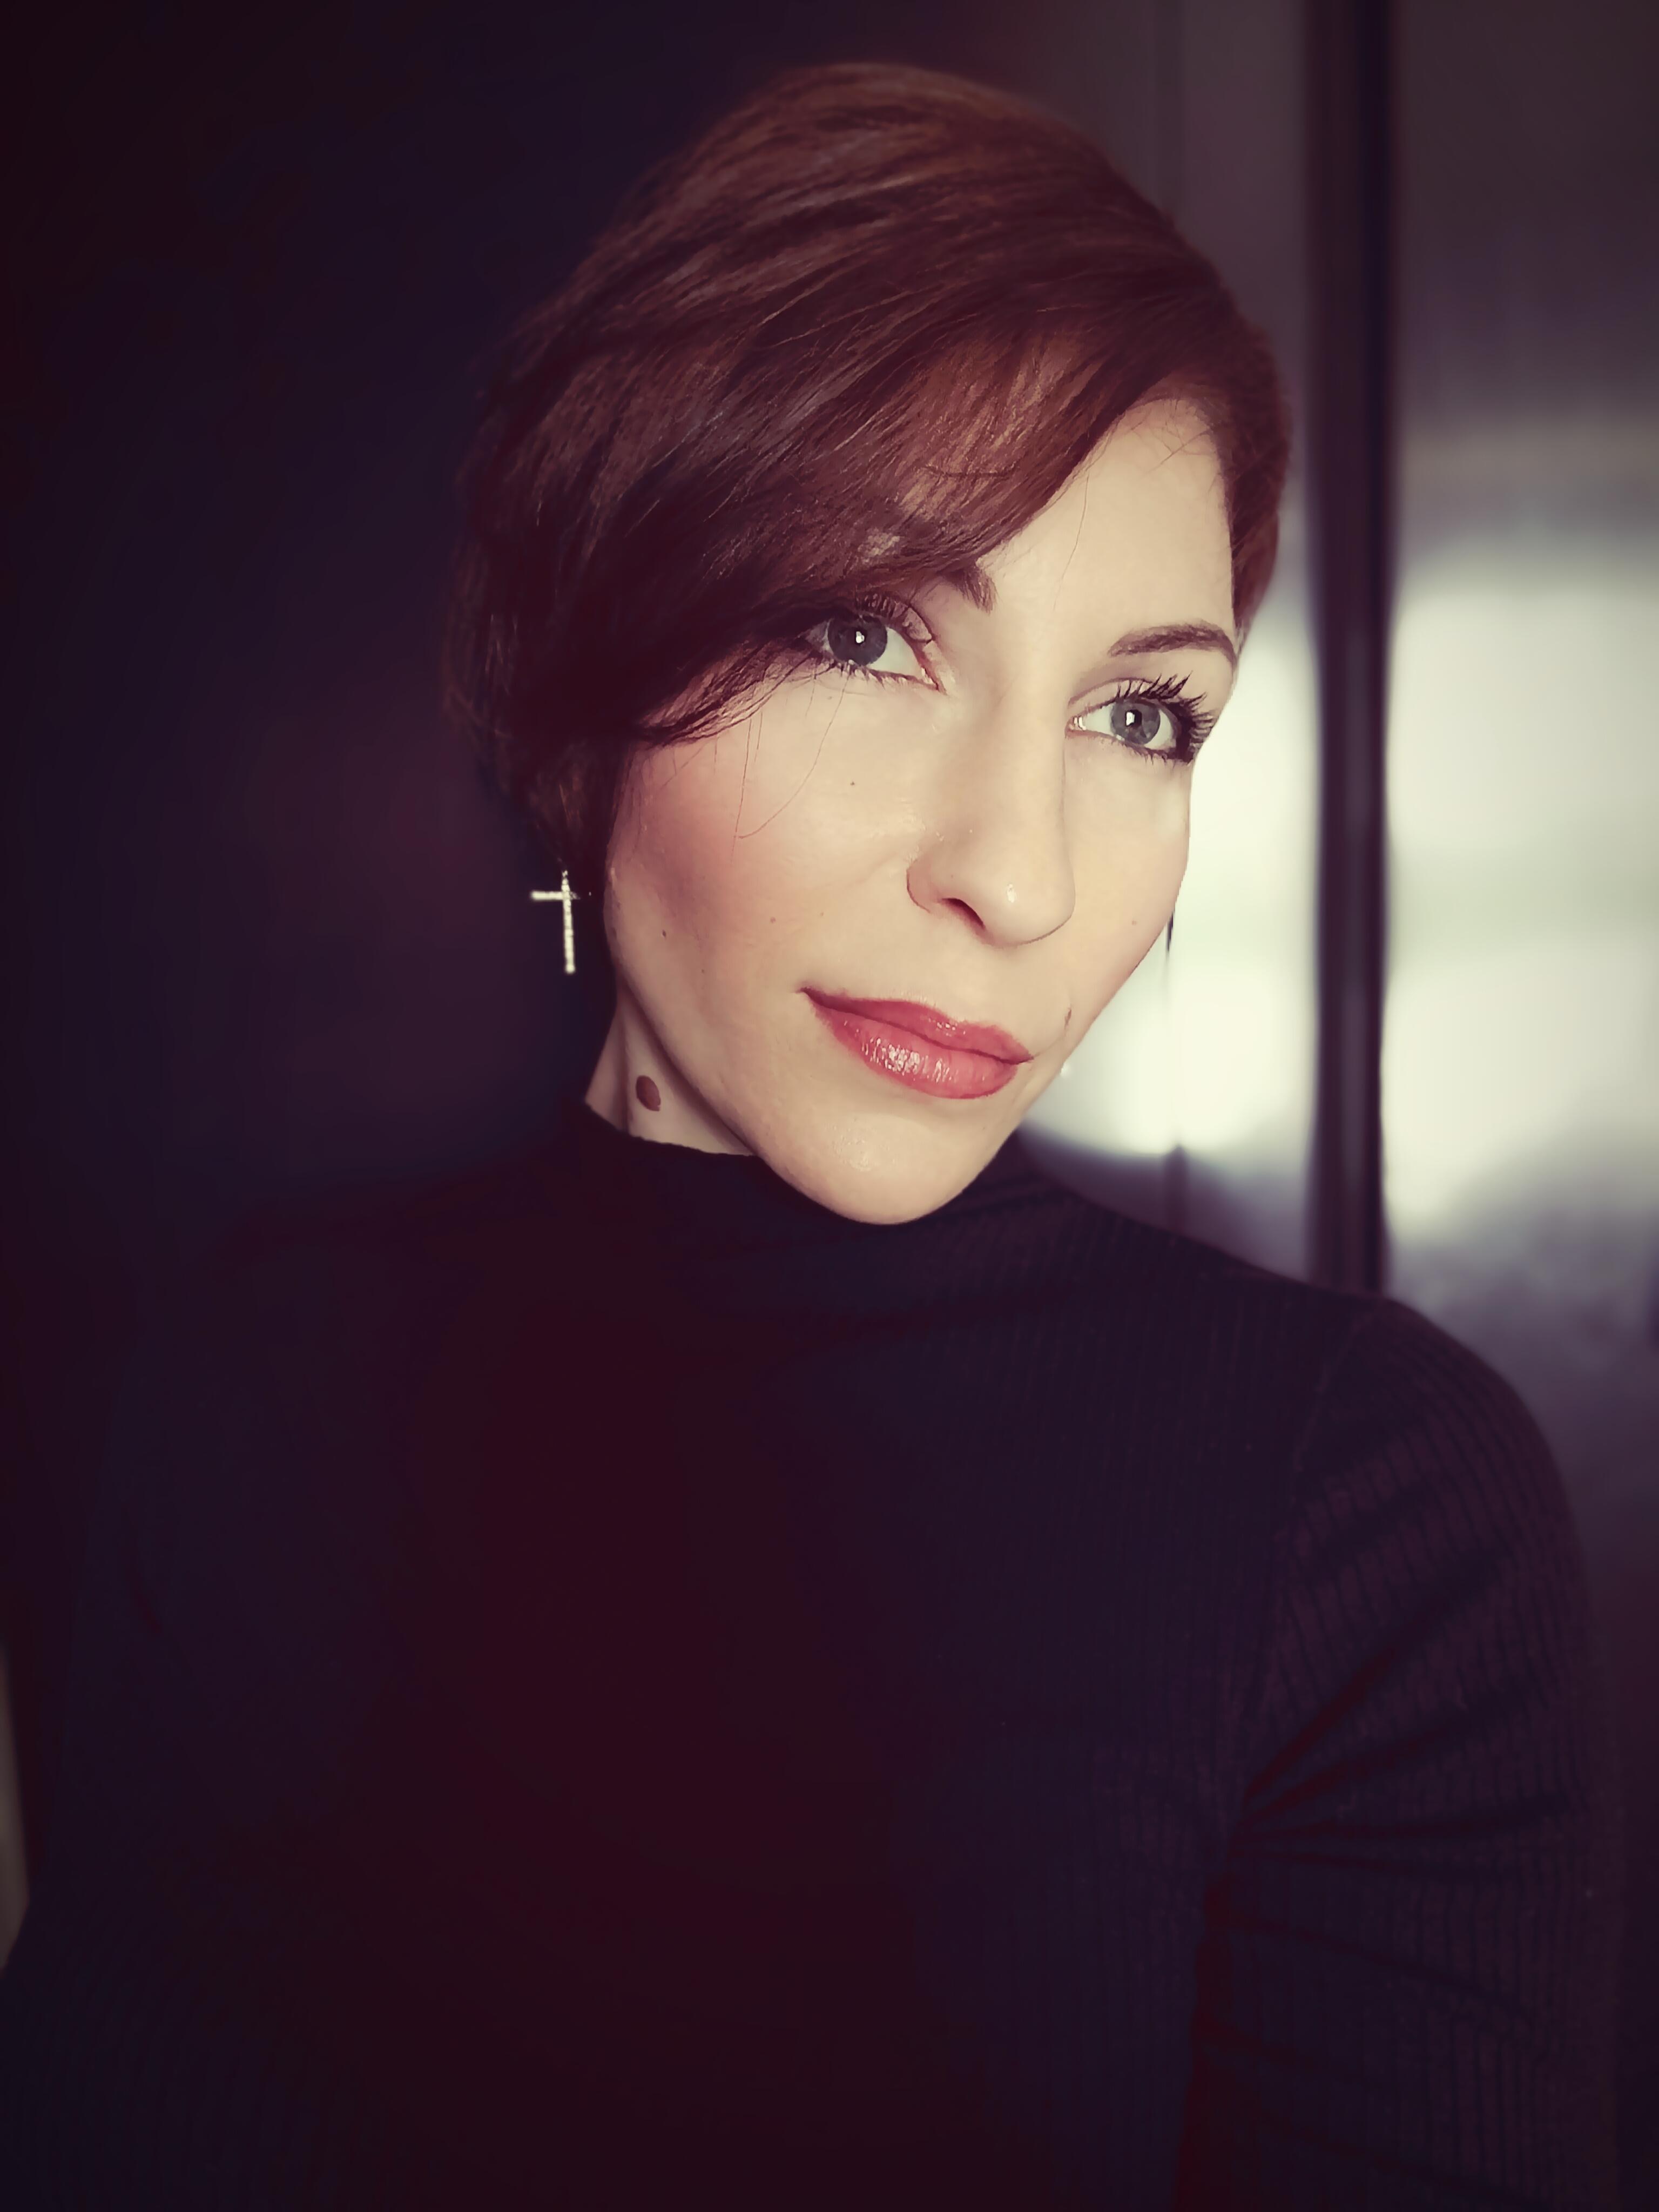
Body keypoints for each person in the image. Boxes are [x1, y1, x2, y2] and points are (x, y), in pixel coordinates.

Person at [0, 62, 1620, 2210]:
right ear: (588, 671)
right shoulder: (252, 1382)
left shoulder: (1371, 1515)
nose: (1021, 876)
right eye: (863, 631)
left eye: (1143, 715)